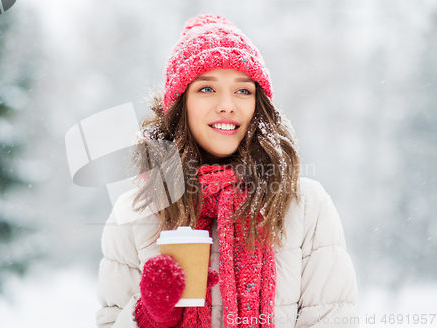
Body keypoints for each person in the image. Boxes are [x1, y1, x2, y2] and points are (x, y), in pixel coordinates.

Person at [96, 14, 358, 328]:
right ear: (181, 104)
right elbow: (110, 321)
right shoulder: (138, 208)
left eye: (243, 91)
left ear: (258, 105)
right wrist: (150, 317)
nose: (227, 105)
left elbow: (332, 320)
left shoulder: (305, 205)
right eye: (206, 89)